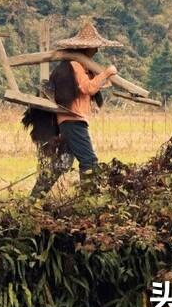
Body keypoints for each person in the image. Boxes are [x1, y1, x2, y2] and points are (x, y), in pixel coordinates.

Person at [25, 19, 122, 197]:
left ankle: (34, 198)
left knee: (62, 163)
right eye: (94, 48)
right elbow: (88, 88)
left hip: (70, 121)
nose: (97, 50)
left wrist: (102, 76)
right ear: (85, 49)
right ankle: (89, 200)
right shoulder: (75, 64)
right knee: (89, 160)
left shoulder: (81, 67)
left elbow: (94, 85)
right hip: (73, 120)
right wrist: (107, 72)